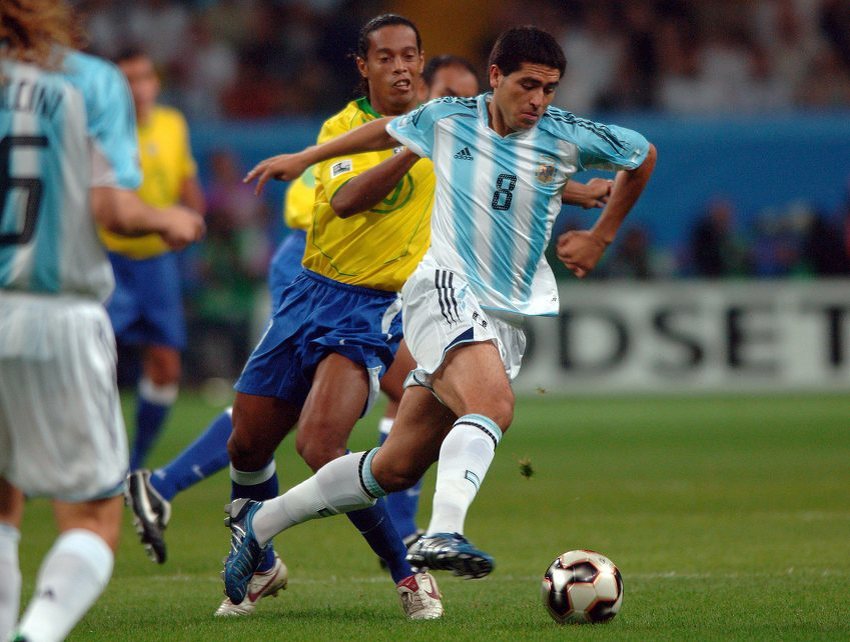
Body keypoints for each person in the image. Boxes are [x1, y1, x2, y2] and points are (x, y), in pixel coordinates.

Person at [225, 25, 655, 602]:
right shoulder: (450, 117)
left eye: (550, 89)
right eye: (528, 86)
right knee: (492, 405)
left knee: (393, 468)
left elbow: (643, 155)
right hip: (443, 289)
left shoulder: (564, 135)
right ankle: (443, 532)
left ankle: (261, 524)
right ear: (496, 76)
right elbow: (383, 132)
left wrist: (601, 237)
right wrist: (305, 157)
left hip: (503, 316)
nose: (538, 101)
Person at [0, 2, 205, 640]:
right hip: (56, 311)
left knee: (3, 505)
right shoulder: (89, 81)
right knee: (92, 515)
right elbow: (113, 209)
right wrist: (167, 217)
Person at [100, 47, 206, 473]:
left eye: (143, 77)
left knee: (165, 365)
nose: (137, 88)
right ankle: (91, 456)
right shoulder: (101, 131)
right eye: (126, 80)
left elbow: (185, 179)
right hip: (108, 258)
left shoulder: (172, 123)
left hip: (157, 263)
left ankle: (134, 462)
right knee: (95, 362)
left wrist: (195, 219)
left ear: (155, 82)